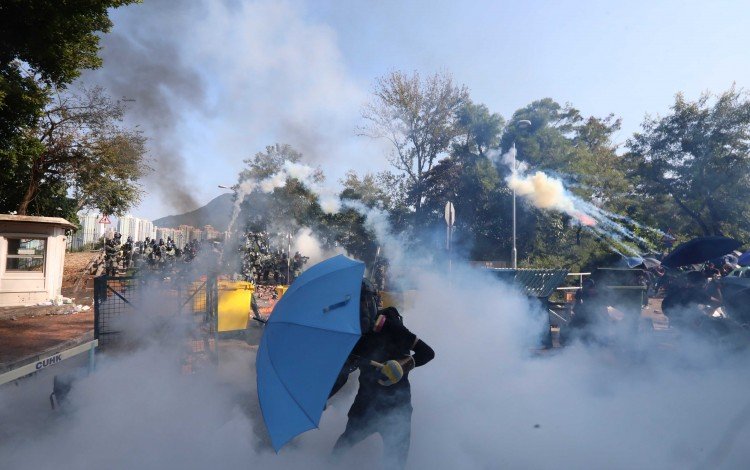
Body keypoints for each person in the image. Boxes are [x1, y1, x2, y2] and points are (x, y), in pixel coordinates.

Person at [329, 279, 434, 469]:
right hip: (366, 405)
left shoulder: (392, 327)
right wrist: (324, 397)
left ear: (372, 302)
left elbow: (427, 353)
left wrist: (402, 365)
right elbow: (343, 374)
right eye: (356, 304)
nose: (360, 309)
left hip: (397, 407)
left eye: (364, 301)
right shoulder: (355, 338)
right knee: (340, 451)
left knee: (395, 462)